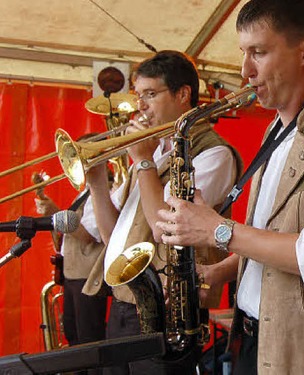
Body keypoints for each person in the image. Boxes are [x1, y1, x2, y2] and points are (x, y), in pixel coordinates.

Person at [156, 1, 304, 373]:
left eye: (259, 52)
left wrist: (216, 230)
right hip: (252, 338)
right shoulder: (276, 131)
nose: (244, 71)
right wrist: (220, 271)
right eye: (244, 53)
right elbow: (275, 237)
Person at [84, 50, 240, 374]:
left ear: (183, 94)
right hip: (126, 305)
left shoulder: (214, 153)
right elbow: (112, 237)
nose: (140, 106)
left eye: (150, 94)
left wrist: (142, 161)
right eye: (139, 95)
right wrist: (97, 185)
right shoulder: (153, 152)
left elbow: (163, 227)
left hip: (171, 312)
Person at [35, 174, 107, 370]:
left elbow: (87, 235)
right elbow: (69, 234)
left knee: (88, 340)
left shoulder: (103, 190)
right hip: (73, 274)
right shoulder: (83, 193)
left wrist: (56, 213)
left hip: (88, 276)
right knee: (73, 335)